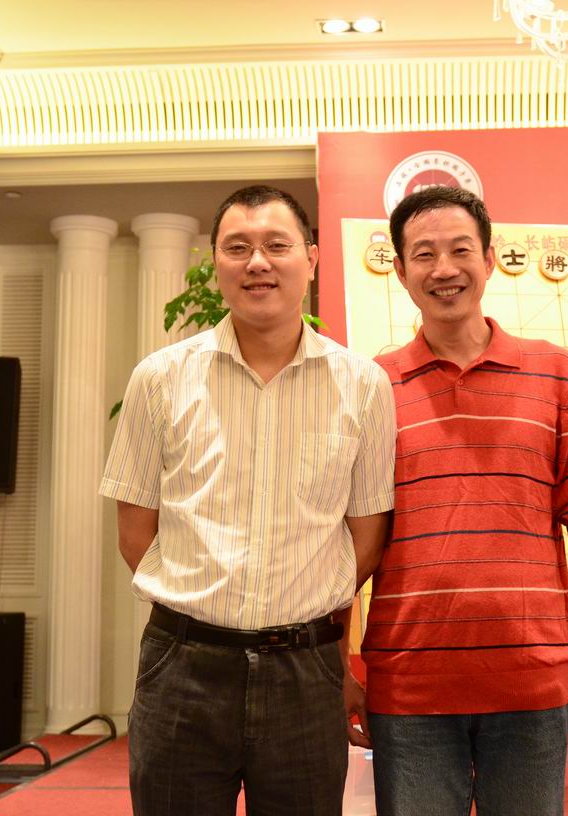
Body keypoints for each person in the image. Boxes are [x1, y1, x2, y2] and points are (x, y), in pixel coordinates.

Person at [101, 185, 395, 815]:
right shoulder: (159, 379)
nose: (257, 262)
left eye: (275, 245)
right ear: (216, 263)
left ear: (311, 259)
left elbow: (365, 537)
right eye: (237, 248)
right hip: (183, 666)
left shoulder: (364, 386)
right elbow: (135, 533)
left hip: (305, 673)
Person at [361, 186, 568, 816]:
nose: (443, 269)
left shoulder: (556, 373)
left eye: (460, 250)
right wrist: (340, 665)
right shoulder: (370, 384)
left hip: (533, 672)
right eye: (424, 255)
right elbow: (348, 536)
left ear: (490, 258)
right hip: (410, 681)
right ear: (400, 270)